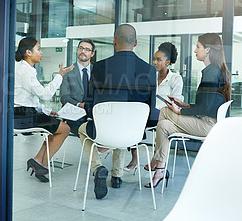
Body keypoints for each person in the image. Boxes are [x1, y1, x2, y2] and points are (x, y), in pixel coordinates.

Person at [78, 24, 157, 199]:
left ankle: (97, 167)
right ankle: (117, 175)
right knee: (124, 120)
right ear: (135, 43)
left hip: (105, 131)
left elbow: (91, 107)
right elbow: (150, 114)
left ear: (114, 42)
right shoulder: (149, 70)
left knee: (82, 129)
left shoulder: (99, 67)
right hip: (132, 134)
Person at [145, 33, 231, 188]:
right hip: (205, 121)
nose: (195, 50)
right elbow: (206, 104)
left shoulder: (211, 72)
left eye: (198, 46)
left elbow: (204, 108)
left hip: (207, 125)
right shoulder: (213, 70)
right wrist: (184, 105)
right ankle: (160, 169)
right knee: (163, 126)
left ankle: (155, 161)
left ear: (208, 50)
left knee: (165, 111)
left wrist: (179, 112)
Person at [14, 37, 74, 183]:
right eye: (38, 49)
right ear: (28, 52)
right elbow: (45, 94)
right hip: (24, 116)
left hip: (24, 113)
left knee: (54, 130)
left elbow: (31, 99)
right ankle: (43, 164)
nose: (41, 52)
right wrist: (59, 76)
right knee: (65, 129)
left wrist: (47, 112)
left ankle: (37, 161)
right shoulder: (26, 71)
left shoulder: (25, 69)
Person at [124, 42, 184, 172]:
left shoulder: (175, 78)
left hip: (165, 115)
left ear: (167, 62)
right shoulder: (149, 76)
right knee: (132, 119)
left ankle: (155, 159)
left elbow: (176, 102)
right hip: (148, 113)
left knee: (151, 122)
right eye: (154, 59)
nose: (154, 62)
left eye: (159, 60)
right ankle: (134, 158)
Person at [60, 39, 95, 136]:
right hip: (74, 113)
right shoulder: (68, 71)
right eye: (81, 48)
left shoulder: (97, 70)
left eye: (87, 49)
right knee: (84, 130)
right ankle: (94, 150)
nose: (83, 51)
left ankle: (97, 150)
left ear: (92, 54)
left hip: (93, 112)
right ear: (77, 50)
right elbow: (64, 97)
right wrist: (79, 104)